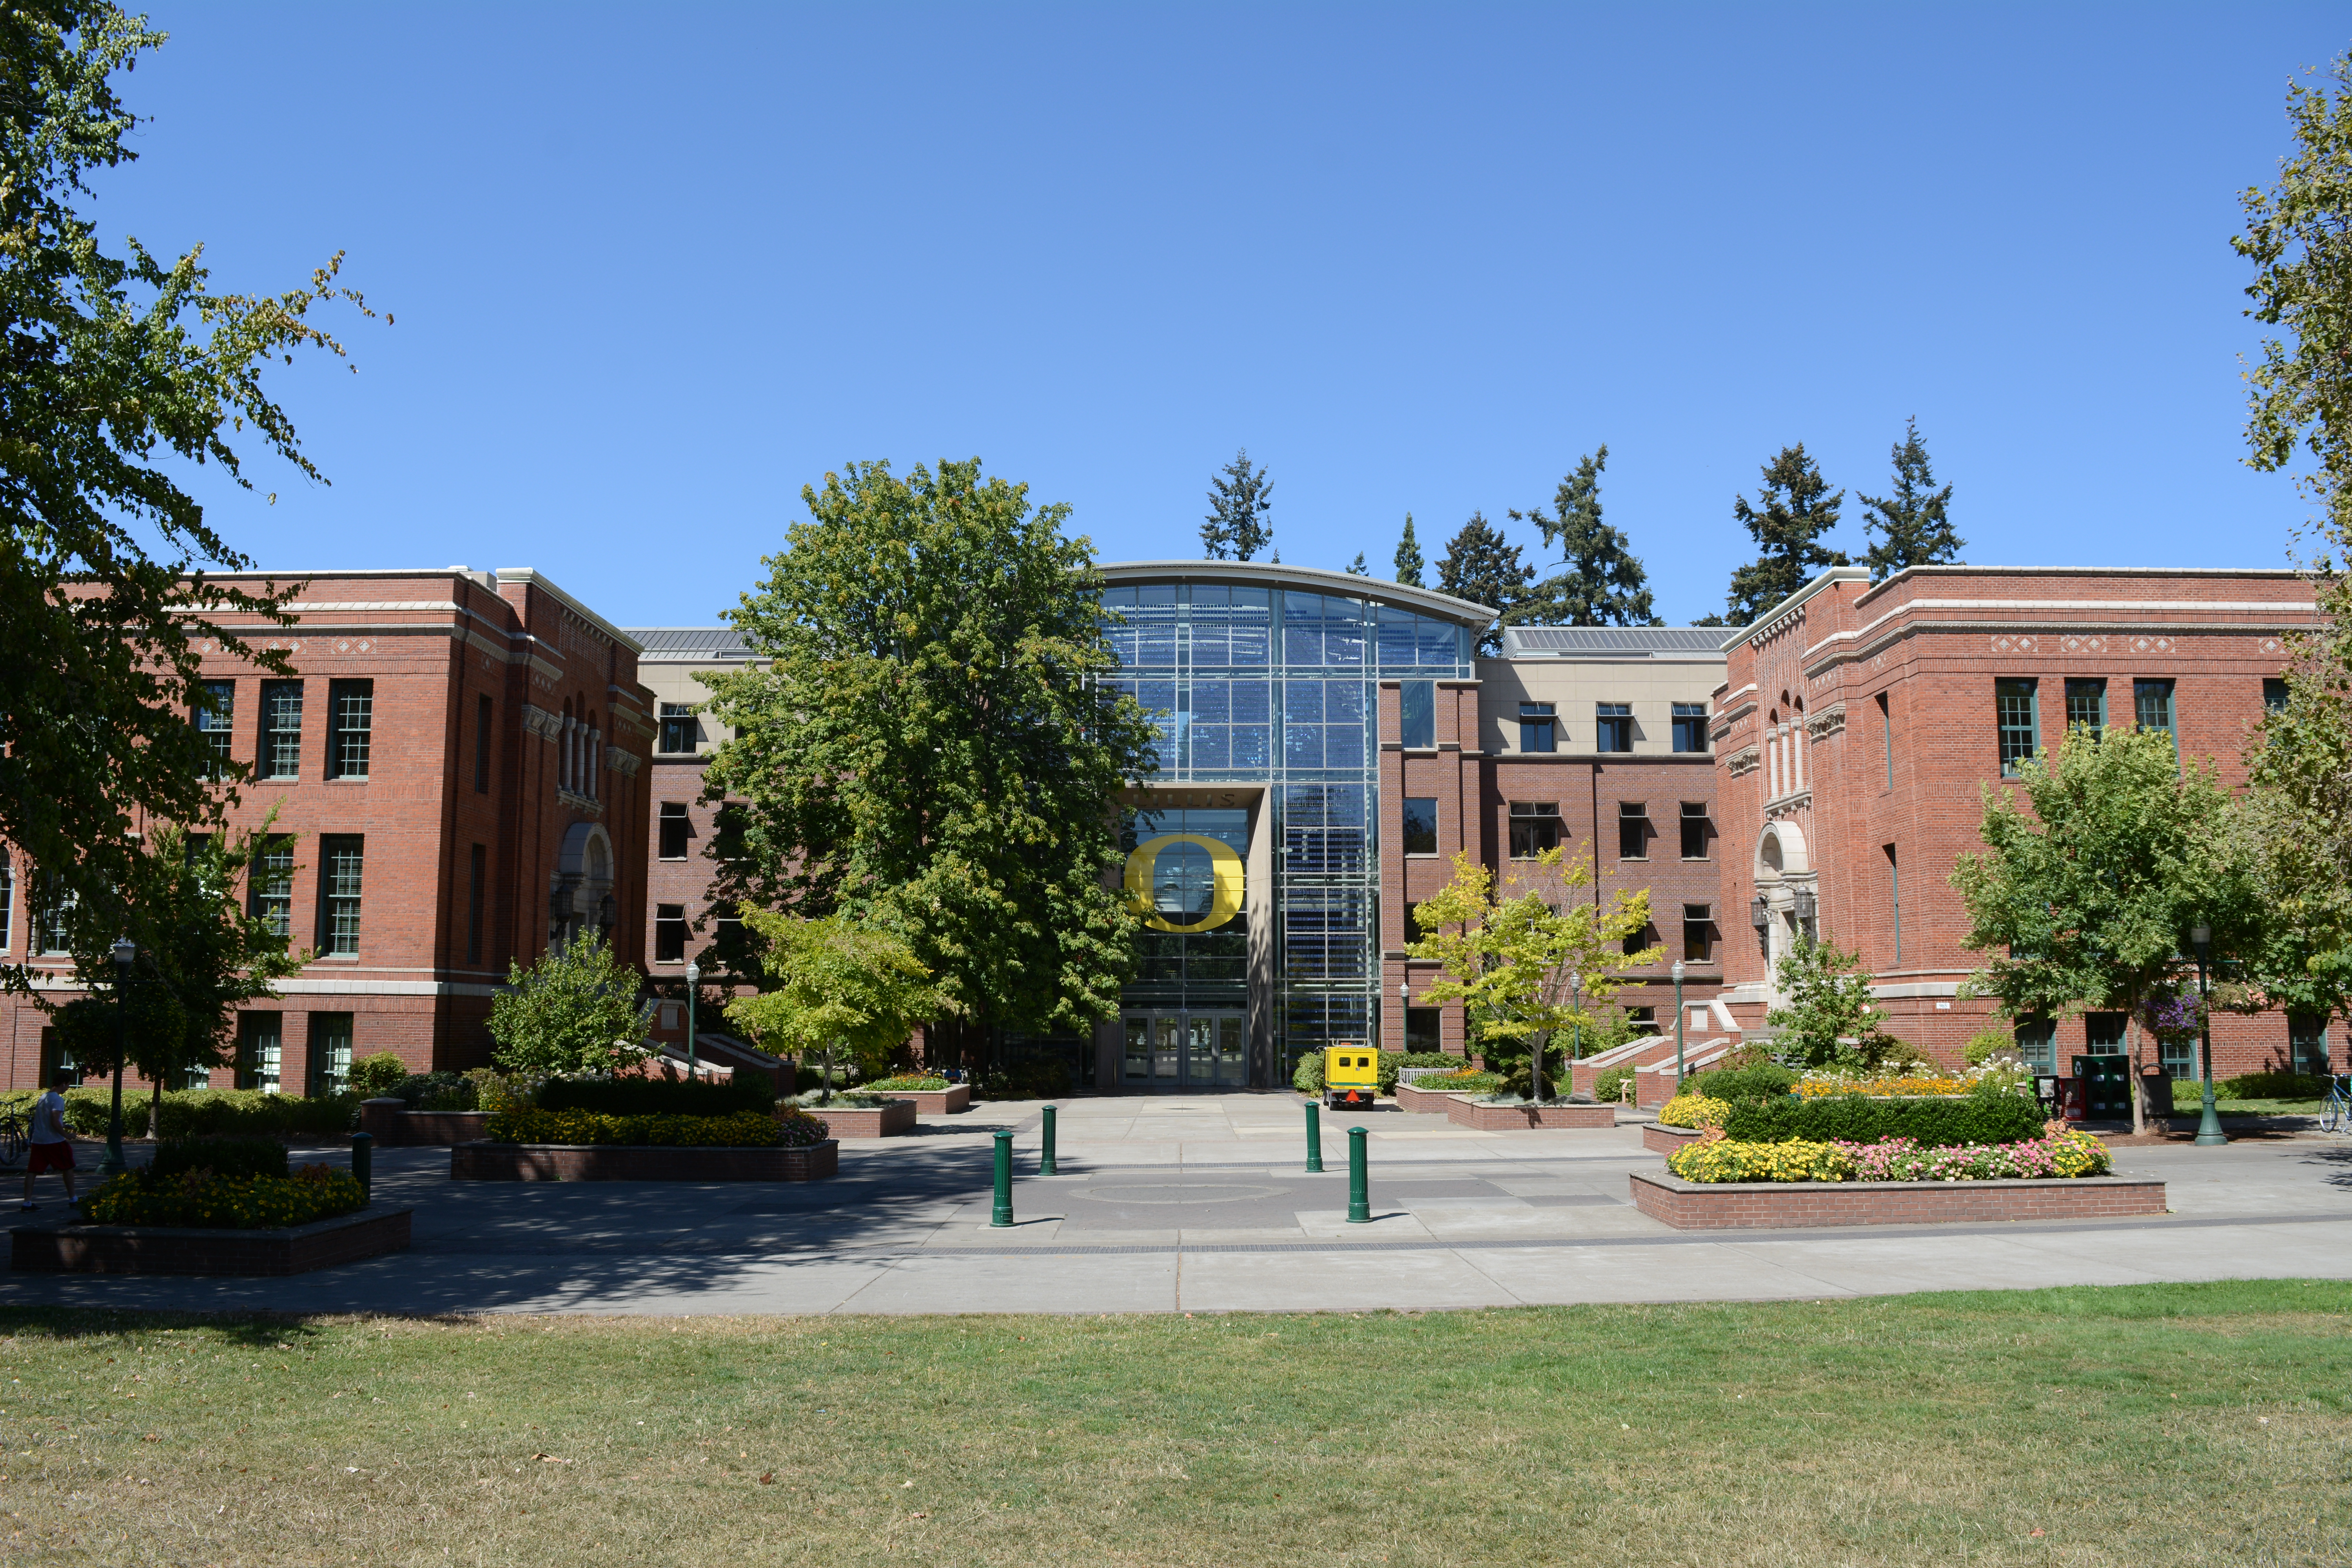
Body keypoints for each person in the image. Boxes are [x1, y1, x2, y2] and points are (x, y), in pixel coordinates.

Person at [20, 1071, 77, 1211]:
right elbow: (54, 1121)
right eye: (68, 1086)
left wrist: (63, 1124)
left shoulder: (44, 1097)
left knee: (32, 1171)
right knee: (68, 1167)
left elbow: (46, 1119)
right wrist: (67, 1135)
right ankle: (74, 1199)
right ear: (63, 1084)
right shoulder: (58, 1099)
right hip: (54, 1141)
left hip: (38, 1140)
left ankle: (27, 1203)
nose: (68, 1089)